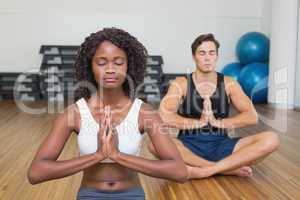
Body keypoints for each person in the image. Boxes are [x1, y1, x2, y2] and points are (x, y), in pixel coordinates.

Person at [27, 27, 188, 200]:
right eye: (102, 63)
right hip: (89, 195)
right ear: (91, 67)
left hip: (131, 195)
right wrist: (98, 155)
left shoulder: (144, 113)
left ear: (128, 66)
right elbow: (36, 173)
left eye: (118, 62)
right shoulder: (74, 114)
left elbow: (179, 172)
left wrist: (118, 156)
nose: (110, 69)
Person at [147, 33, 280, 179]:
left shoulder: (229, 83)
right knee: (153, 143)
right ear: (194, 56)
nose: (207, 57)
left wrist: (218, 122)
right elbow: (164, 115)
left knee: (271, 139)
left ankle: (206, 170)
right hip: (188, 147)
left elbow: (252, 116)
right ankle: (223, 168)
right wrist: (199, 123)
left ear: (217, 56)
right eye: (202, 53)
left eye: (212, 53)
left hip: (222, 145)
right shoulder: (181, 83)